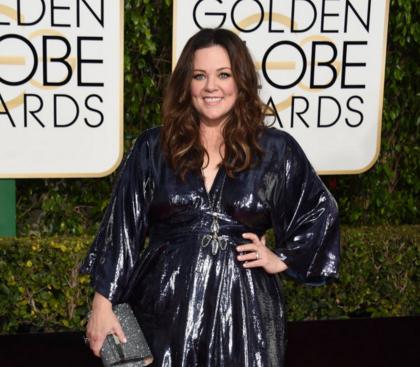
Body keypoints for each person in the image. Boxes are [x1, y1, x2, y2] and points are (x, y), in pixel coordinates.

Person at [80, 28, 340, 367]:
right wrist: (102, 305)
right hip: (164, 308)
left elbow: (320, 210)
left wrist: (282, 258)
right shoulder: (152, 147)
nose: (211, 86)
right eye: (199, 76)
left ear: (241, 82)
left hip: (245, 311)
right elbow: (123, 230)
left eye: (223, 75)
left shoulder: (275, 149)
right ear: (186, 84)